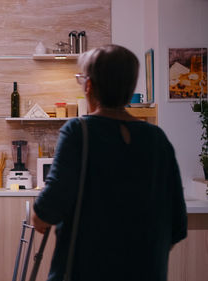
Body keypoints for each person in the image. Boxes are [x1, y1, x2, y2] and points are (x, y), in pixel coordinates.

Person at [32, 45, 187, 281]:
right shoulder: (157, 139)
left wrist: (38, 216)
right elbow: (177, 223)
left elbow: (46, 211)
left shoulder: (78, 131)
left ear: (89, 85)